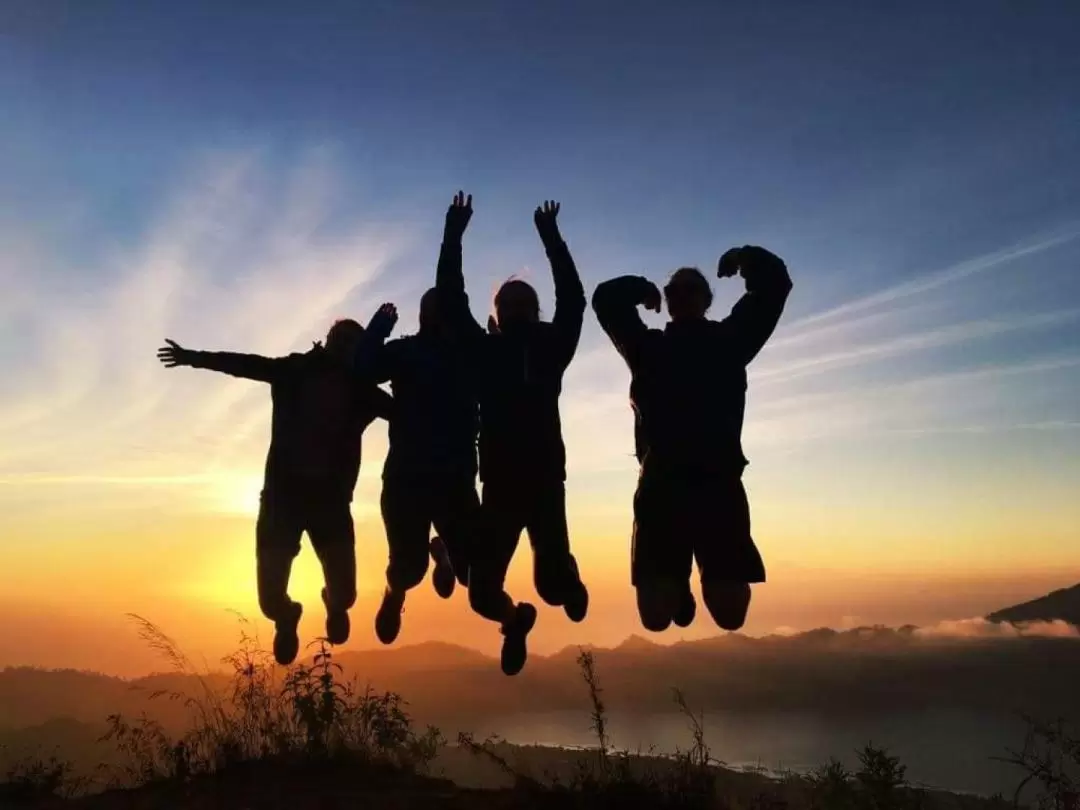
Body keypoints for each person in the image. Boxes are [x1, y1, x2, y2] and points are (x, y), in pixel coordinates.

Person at [155, 305, 399, 665]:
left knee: (345, 595)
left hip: (330, 503)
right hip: (282, 501)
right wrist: (194, 358)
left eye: (353, 342)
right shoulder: (294, 370)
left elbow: (411, 412)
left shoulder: (361, 390)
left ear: (359, 350)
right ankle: (287, 617)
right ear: (328, 340)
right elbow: (247, 364)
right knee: (269, 601)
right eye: (340, 338)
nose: (344, 346)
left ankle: (333, 605)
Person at [591, 246, 792, 634]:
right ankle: (678, 585)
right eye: (673, 291)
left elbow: (774, 286)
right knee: (655, 619)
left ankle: (679, 579)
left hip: (718, 484)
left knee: (731, 616)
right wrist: (642, 289)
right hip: (661, 485)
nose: (680, 296)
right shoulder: (647, 349)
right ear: (666, 302)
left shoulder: (730, 341)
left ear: (706, 300)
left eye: (690, 290)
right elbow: (605, 300)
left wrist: (744, 257)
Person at [437, 194, 589, 676]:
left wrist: (552, 240)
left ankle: (565, 574)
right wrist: (453, 237)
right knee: (482, 595)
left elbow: (574, 300)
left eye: (525, 303)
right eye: (510, 302)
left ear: (535, 312)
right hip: (502, 488)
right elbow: (450, 300)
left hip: (543, 483)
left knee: (553, 589)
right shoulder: (485, 353)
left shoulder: (550, 348)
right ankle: (515, 621)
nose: (519, 308)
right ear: (498, 314)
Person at [352, 192, 485, 646]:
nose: (442, 310)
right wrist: (378, 328)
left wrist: (453, 234)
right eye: (435, 306)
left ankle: (444, 555)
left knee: (474, 575)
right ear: (426, 315)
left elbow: (451, 283)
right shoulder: (406, 351)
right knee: (406, 571)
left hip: (453, 478)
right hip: (409, 478)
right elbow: (362, 371)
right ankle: (395, 593)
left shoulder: (469, 351)